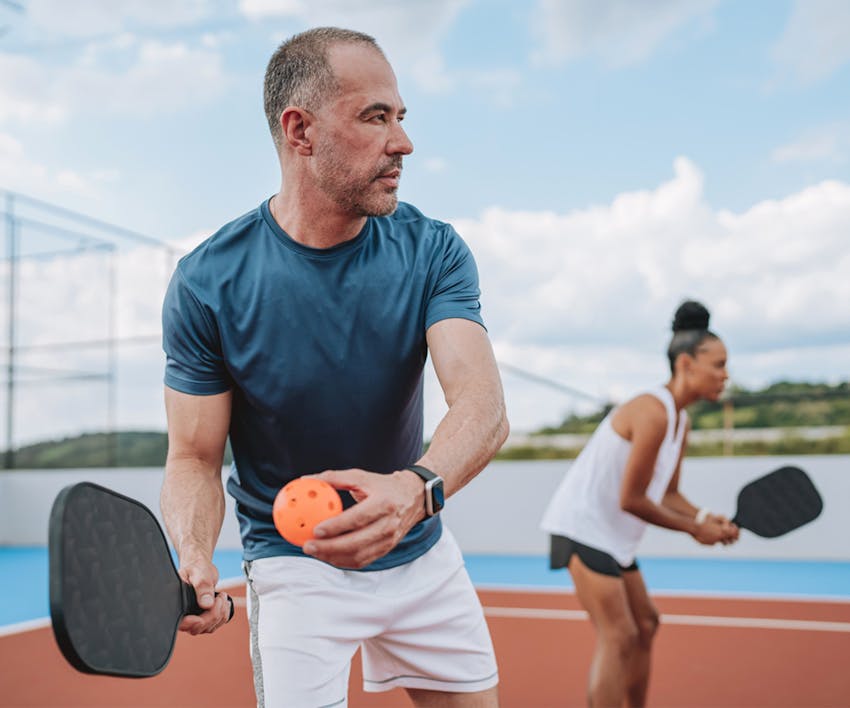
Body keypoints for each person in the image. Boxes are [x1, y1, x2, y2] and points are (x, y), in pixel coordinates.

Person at [160, 26, 509, 708]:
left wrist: (417, 492)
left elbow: (482, 406)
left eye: (401, 118)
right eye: (375, 117)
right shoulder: (206, 282)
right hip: (295, 566)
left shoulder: (433, 250)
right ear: (300, 131)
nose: (403, 142)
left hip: (420, 545)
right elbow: (194, 456)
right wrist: (196, 554)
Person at [540, 300, 739, 707]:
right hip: (582, 528)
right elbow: (631, 499)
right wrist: (694, 529)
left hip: (611, 536)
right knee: (619, 635)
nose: (725, 374)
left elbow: (666, 492)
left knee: (645, 623)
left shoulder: (679, 421)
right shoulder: (653, 412)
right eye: (717, 365)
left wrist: (704, 517)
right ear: (686, 364)